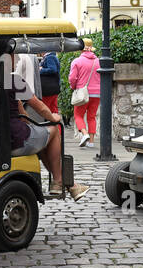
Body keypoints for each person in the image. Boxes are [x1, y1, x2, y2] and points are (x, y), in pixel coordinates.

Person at [9, 65, 87, 201]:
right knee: (54, 129)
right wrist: (53, 117)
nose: (17, 61)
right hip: (16, 139)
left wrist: (33, 128)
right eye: (14, 55)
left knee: (42, 139)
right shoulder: (12, 79)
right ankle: (58, 182)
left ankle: (69, 185)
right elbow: (39, 107)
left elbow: (21, 113)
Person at [68, 39, 101, 148]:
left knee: (78, 115)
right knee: (92, 117)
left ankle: (85, 134)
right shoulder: (99, 61)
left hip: (82, 93)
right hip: (97, 93)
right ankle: (91, 142)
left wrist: (74, 87)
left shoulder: (77, 61)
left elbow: (72, 78)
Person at [39, 50, 62, 117]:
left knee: (46, 108)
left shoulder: (50, 57)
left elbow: (52, 69)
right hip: (53, 88)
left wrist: (41, 70)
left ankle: (48, 125)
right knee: (53, 109)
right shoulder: (52, 56)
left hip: (49, 88)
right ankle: (56, 126)